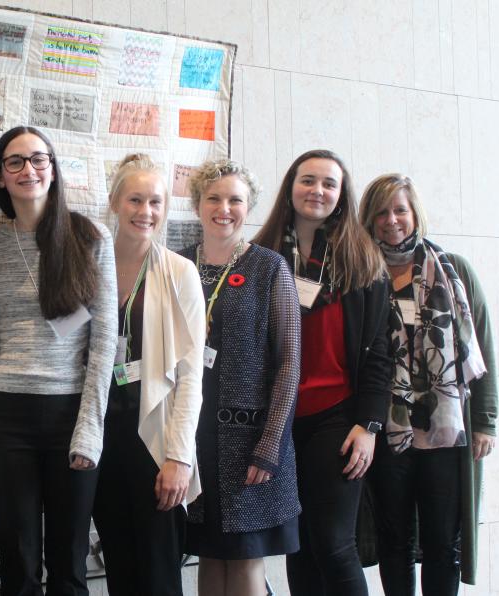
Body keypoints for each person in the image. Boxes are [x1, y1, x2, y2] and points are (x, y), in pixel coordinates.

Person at [0, 126, 117, 595]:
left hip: (71, 413)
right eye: (14, 162)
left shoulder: (88, 236)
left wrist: (90, 427)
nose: (28, 170)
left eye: (39, 159)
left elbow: (103, 341)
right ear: (0, 176)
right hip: (8, 416)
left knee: (69, 563)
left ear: (53, 170)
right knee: (17, 563)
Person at [253, 149, 392, 596]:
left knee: (333, 545)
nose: (318, 191)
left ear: (341, 194)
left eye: (329, 183)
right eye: (307, 180)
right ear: (290, 187)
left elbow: (379, 356)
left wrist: (368, 425)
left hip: (337, 417)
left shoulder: (362, 259)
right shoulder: (262, 256)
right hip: (280, 421)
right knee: (300, 546)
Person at [357, 174, 497, 595]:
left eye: (400, 209)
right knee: (395, 540)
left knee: (443, 542)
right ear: (369, 219)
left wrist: (486, 421)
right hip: (386, 431)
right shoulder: (362, 276)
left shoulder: (454, 271)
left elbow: (483, 347)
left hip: (446, 431)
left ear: (415, 213)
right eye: (381, 212)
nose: (391, 220)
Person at [180, 159, 302, 596]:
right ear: (197, 204)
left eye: (235, 199)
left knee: (247, 563)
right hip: (193, 442)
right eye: (213, 198)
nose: (224, 208)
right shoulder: (178, 267)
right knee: (209, 558)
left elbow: (289, 364)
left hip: (250, 442)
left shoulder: (269, 268)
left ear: (249, 208)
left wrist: (269, 448)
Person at [91, 154, 205, 596]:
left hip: (155, 440)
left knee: (159, 573)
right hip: (102, 436)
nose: (146, 212)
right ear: (115, 202)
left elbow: (191, 375)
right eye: (135, 200)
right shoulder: (90, 265)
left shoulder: (179, 272)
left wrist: (179, 458)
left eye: (155, 201)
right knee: (119, 568)